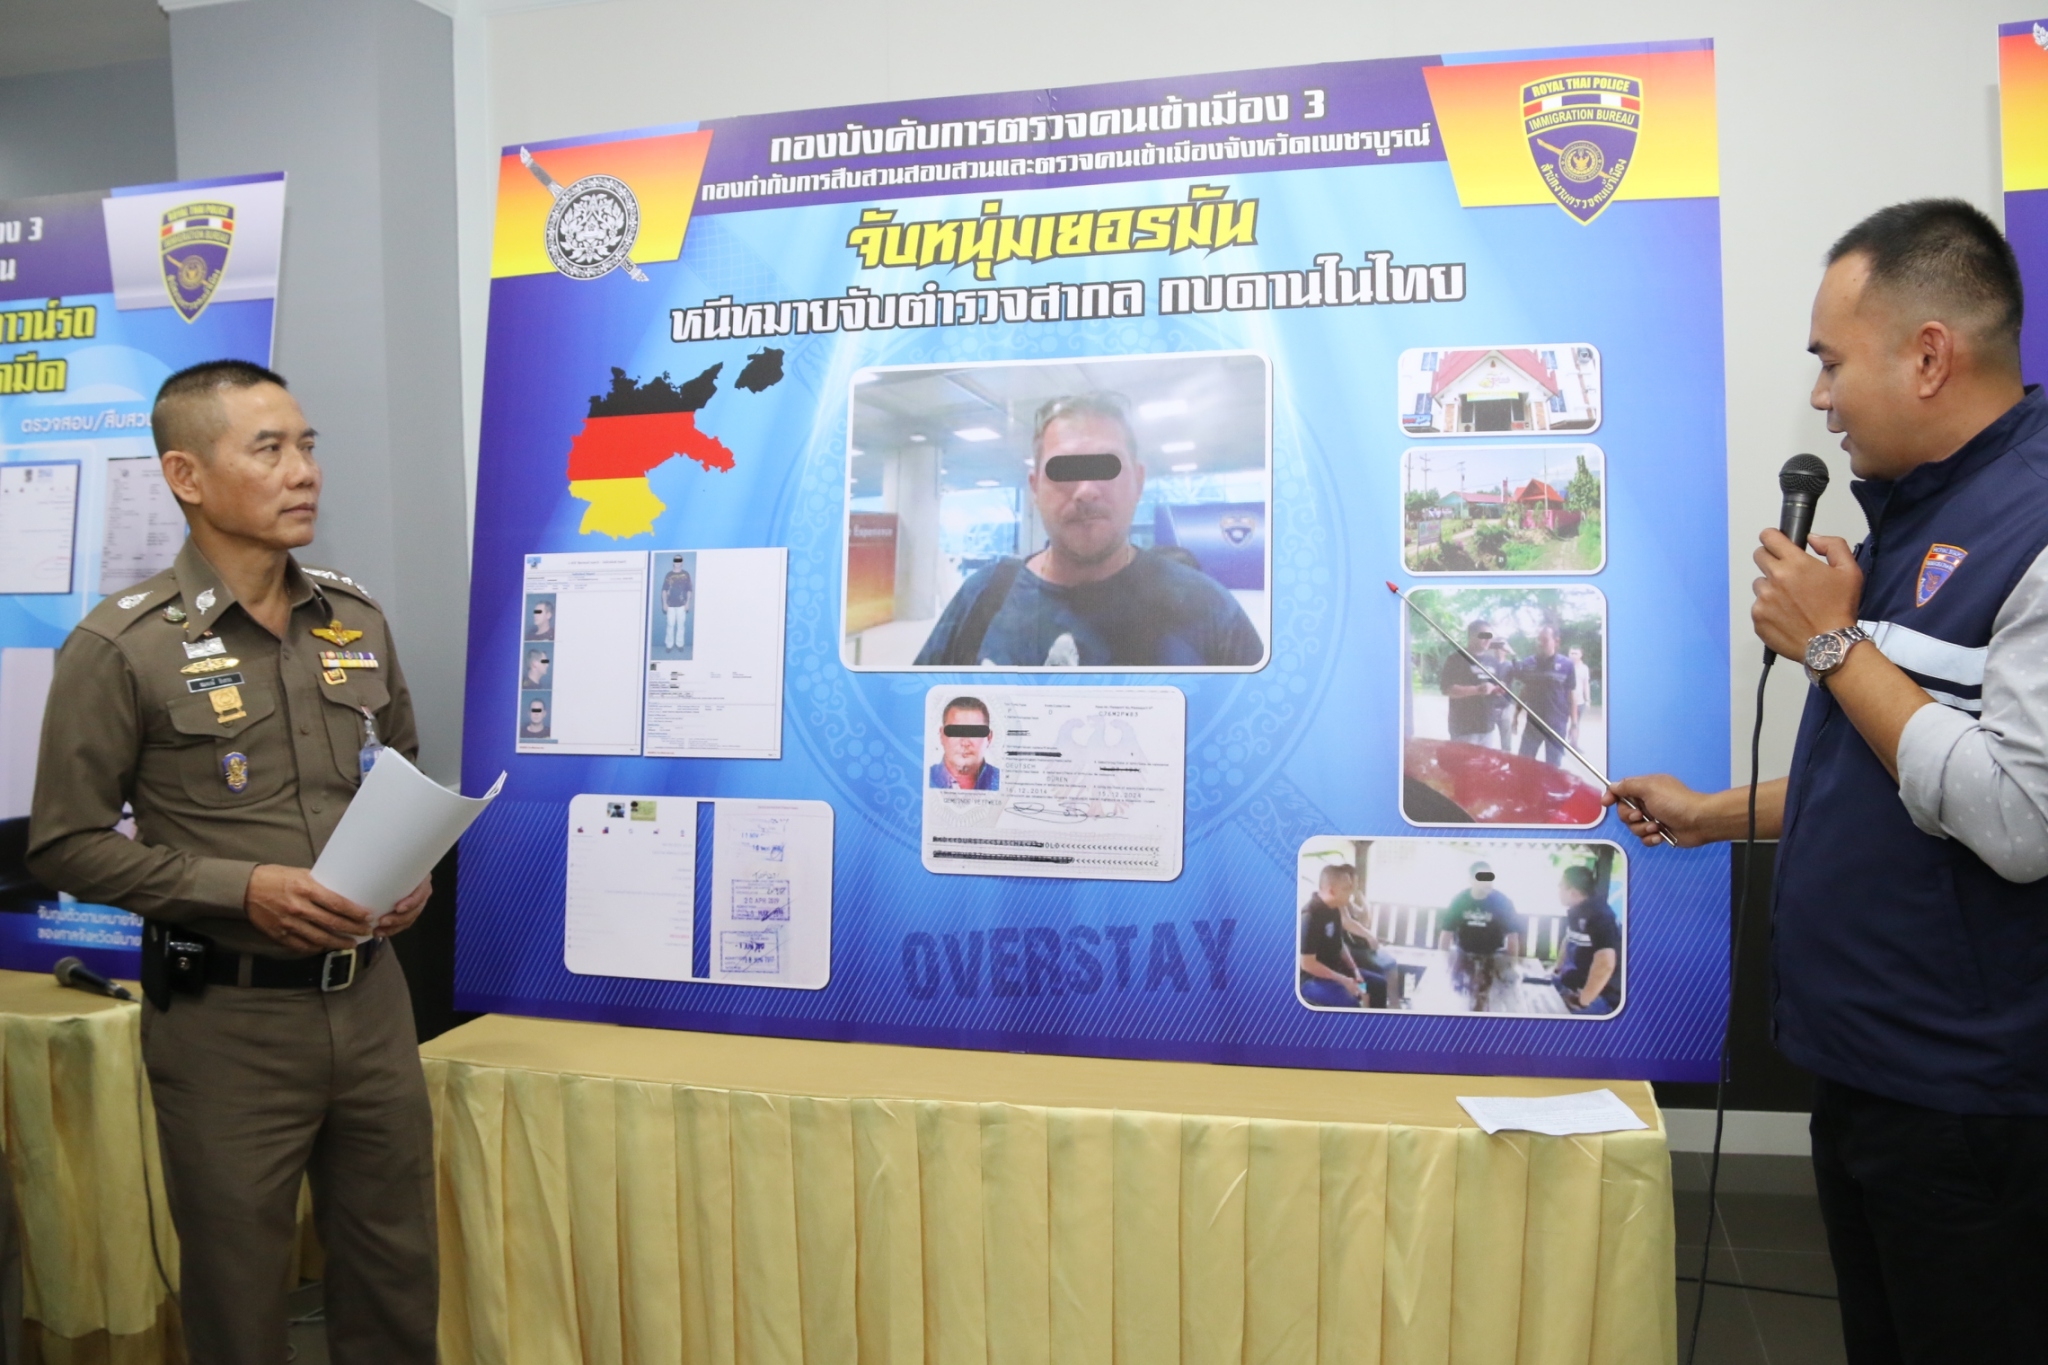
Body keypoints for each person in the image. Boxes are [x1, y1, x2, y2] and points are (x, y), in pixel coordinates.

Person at [1606, 201, 2048, 1362]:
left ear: (1927, 355)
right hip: (1867, 1072)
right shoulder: (1911, 516)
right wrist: (1712, 817)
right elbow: (1895, 770)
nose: (1816, 397)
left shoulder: (2033, 525)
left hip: (1974, 1103)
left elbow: (2017, 818)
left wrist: (1829, 646)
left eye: (1828, 361)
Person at [26, 361, 437, 1365]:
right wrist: (237, 889)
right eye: (269, 449)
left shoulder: (356, 620)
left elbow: (402, 773)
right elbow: (66, 843)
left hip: (373, 1005)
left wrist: (412, 869)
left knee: (395, 1278)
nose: (304, 471)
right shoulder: (121, 646)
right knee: (240, 1298)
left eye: (307, 446)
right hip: (229, 1025)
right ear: (187, 476)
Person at [913, 392, 1264, 667]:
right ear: (1034, 488)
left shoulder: (1209, 610)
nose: (1085, 491)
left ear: (1138, 482)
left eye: (1105, 467)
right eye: (1064, 470)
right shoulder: (981, 598)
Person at [1436, 861, 1522, 1012]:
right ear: (1471, 880)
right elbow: (1446, 934)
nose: (1487, 882)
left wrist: (1512, 965)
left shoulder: (1502, 902)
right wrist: (1442, 962)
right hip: (1463, 953)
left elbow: (1513, 937)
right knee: (1458, 996)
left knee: (1497, 996)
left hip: (1494, 954)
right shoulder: (1459, 901)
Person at [1298, 863, 1386, 1008]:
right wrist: (1344, 980)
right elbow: (1308, 964)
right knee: (1349, 1002)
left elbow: (1339, 944)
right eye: (1346, 889)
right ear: (1332, 891)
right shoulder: (1310, 916)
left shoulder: (1334, 909)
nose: (1351, 892)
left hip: (1338, 973)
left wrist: (1354, 970)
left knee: (1377, 985)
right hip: (1313, 980)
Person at [1551, 863, 1620, 1015]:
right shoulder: (1577, 911)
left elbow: (1605, 964)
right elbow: (1568, 940)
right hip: (1573, 983)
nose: (1558, 888)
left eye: (1561, 885)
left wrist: (1583, 1001)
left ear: (1573, 892)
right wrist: (1557, 970)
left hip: (1600, 995)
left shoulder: (1600, 916)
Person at [1505, 624, 1578, 767]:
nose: (1540, 643)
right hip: (1533, 723)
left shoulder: (1567, 665)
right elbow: (1525, 691)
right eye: (1538, 639)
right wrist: (1516, 715)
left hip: (1557, 725)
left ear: (1556, 641)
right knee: (1523, 764)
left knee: (1553, 767)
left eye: (1544, 639)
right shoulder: (1528, 663)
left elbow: (1571, 695)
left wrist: (1574, 725)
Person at [1437, 620, 1503, 747]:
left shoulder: (1493, 661)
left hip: (1487, 728)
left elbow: (1495, 687)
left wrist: (1498, 690)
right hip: (1464, 729)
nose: (1488, 640)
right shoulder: (1455, 659)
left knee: (1485, 761)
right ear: (1472, 636)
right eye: (1484, 635)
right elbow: (1447, 689)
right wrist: (1478, 689)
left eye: (1490, 636)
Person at [928, 695, 999, 790]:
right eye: (956, 731)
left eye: (975, 732)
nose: (965, 743)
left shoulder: (1004, 781)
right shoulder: (925, 778)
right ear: (941, 735)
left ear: (989, 738)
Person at [1488, 639, 1518, 750]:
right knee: (1486, 740)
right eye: (1497, 647)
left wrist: (1513, 653)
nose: (1498, 650)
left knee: (1506, 743)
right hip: (1489, 706)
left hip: (1504, 707)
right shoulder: (1489, 664)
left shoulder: (1510, 665)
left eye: (1501, 648)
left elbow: (1520, 672)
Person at [660, 554, 693, 650]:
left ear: (682, 562)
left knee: (681, 625)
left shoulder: (686, 574)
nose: (677, 563)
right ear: (673, 562)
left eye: (679, 561)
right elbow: (664, 590)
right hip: (670, 605)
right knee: (670, 625)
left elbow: (689, 590)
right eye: (676, 560)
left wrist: (688, 603)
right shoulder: (669, 575)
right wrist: (664, 603)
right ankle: (669, 645)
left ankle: (680, 644)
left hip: (682, 605)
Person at [1566, 644, 1591, 746]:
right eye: (1571, 653)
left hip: (1579, 701)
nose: (1573, 655)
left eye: (1575, 653)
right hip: (1565, 701)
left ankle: (1574, 745)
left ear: (1581, 655)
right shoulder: (1564, 666)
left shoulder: (1584, 668)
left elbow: (1586, 684)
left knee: (1576, 724)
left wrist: (1587, 699)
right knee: (1560, 723)